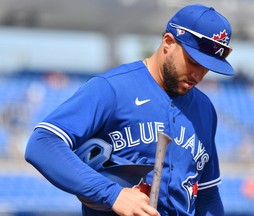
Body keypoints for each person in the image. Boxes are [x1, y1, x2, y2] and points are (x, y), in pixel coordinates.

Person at [25, 4, 235, 216]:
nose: (198, 75)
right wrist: (112, 193)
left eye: (207, 67)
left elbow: (207, 194)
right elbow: (42, 143)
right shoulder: (112, 88)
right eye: (192, 62)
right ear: (169, 42)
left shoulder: (204, 109)